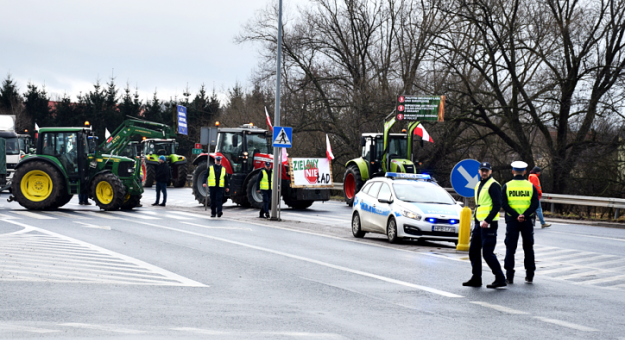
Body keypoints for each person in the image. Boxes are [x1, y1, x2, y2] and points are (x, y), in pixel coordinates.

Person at [463, 162, 507, 289]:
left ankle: (500, 278)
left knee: (487, 253)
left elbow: (497, 205)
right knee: (473, 252)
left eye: (486, 170)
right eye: (482, 170)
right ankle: (476, 278)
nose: (484, 172)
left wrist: (487, 220)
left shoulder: (493, 185)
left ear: (490, 171)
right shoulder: (478, 184)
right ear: (479, 171)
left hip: (489, 224)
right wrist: (477, 220)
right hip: (479, 222)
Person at [502, 161, 540, 284]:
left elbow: (504, 204)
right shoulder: (530, 186)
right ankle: (530, 275)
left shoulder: (507, 186)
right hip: (527, 221)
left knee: (510, 248)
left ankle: (509, 276)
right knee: (528, 247)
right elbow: (535, 203)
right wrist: (525, 214)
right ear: (524, 172)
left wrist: (516, 215)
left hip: (512, 221)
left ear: (513, 171)